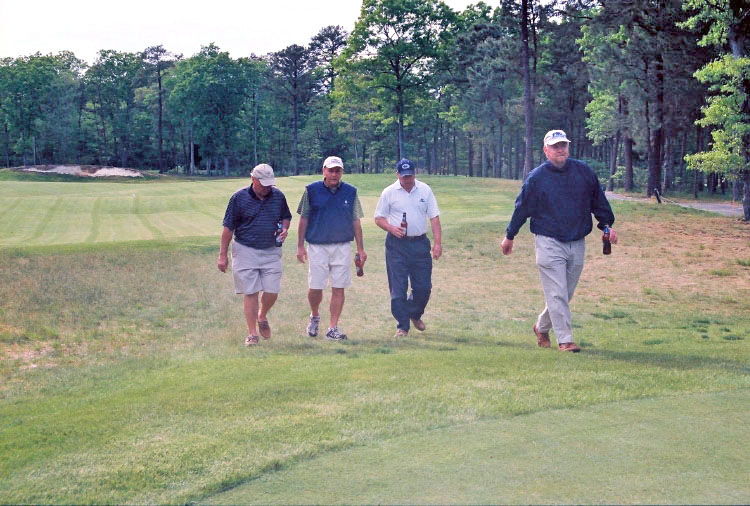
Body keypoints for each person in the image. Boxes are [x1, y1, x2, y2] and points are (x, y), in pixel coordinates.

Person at [501, 129, 618, 352]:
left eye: (563, 145)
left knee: (565, 293)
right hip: (548, 241)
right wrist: (510, 235)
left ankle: (541, 327)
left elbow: (599, 202)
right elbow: (521, 209)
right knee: (557, 292)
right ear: (546, 150)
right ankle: (565, 340)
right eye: (555, 146)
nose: (560, 149)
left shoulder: (583, 172)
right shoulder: (536, 178)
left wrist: (606, 225)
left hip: (577, 240)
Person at [218, 163, 292, 346]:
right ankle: (252, 334)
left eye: (269, 184)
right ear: (253, 179)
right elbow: (228, 227)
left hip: (271, 250)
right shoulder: (238, 198)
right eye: (263, 183)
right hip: (245, 249)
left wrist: (285, 229)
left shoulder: (278, 196)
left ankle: (262, 315)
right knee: (250, 292)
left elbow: (286, 216)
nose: (267, 188)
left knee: (272, 290)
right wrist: (223, 255)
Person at [296, 156, 367, 341]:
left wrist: (360, 249)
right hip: (317, 245)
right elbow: (303, 219)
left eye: (338, 170)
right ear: (324, 171)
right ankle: (315, 315)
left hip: (342, 245)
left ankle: (332, 328)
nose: (334, 174)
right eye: (331, 170)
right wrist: (299, 246)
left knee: (339, 287)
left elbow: (356, 221)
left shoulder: (350, 192)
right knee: (315, 287)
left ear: (342, 172)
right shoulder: (311, 191)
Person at [374, 158, 442, 338]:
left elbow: (434, 218)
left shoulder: (425, 190)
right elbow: (379, 218)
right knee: (398, 288)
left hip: (419, 243)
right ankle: (402, 326)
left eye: (410, 176)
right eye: (404, 177)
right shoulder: (389, 192)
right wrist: (391, 228)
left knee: (423, 287)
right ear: (397, 175)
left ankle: (414, 313)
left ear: (414, 174)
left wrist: (437, 243)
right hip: (397, 245)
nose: (407, 180)